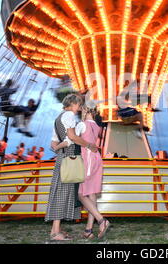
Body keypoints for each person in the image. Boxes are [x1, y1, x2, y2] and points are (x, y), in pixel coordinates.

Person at [45, 93, 103, 241]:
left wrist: (60, 148)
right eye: (78, 105)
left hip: (62, 157)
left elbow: (53, 144)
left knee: (61, 191)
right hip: (70, 157)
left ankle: (55, 229)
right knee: (63, 193)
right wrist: (89, 145)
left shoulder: (58, 118)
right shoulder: (69, 115)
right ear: (73, 103)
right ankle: (55, 232)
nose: (78, 109)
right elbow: (72, 137)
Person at [77, 106, 105, 239]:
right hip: (96, 158)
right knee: (92, 193)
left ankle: (101, 220)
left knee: (81, 193)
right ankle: (89, 230)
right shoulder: (97, 127)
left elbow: (72, 140)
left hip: (87, 159)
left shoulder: (82, 125)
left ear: (85, 112)